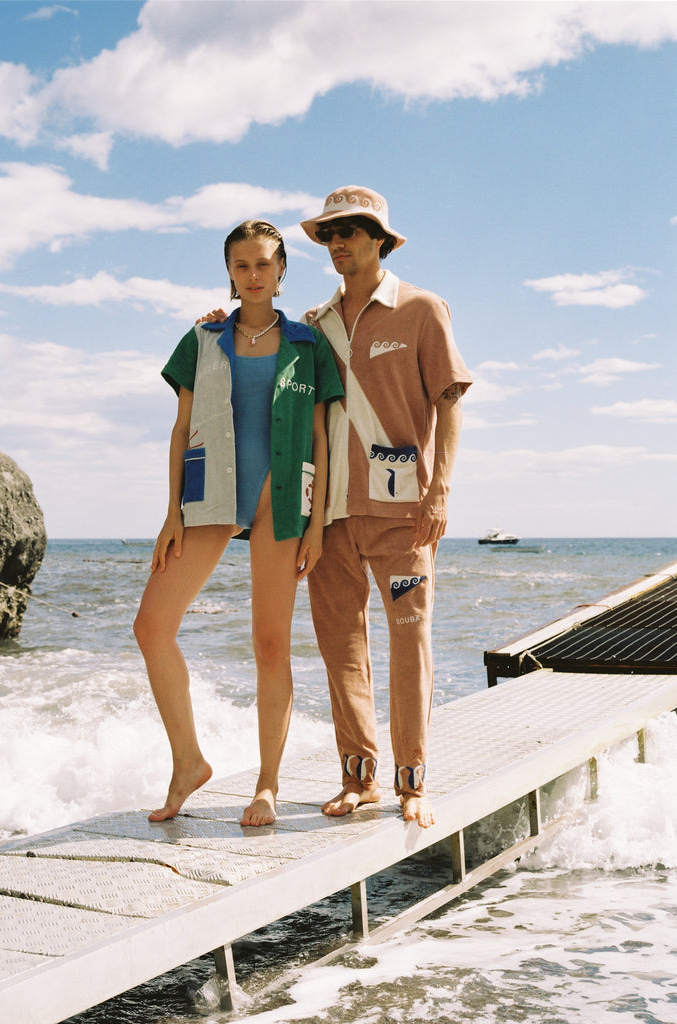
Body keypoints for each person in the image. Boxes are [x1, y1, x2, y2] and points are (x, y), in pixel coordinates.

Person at [134, 220, 343, 827]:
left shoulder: (307, 343)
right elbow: (181, 426)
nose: (253, 276)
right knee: (151, 627)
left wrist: (318, 524)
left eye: (264, 265)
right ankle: (188, 762)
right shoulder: (202, 339)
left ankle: (268, 785)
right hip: (210, 494)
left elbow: (321, 436)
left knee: (271, 644)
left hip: (280, 497)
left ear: (282, 272)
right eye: (242, 266)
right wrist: (170, 512)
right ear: (229, 272)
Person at [299, 185, 473, 827]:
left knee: (409, 642)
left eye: (351, 229)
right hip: (329, 516)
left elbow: (450, 402)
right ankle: (358, 777)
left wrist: (441, 489)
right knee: (340, 646)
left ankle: (412, 782)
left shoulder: (422, 309)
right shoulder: (313, 326)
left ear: (380, 239)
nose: (339, 241)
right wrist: (216, 321)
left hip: (403, 515)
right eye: (330, 232)